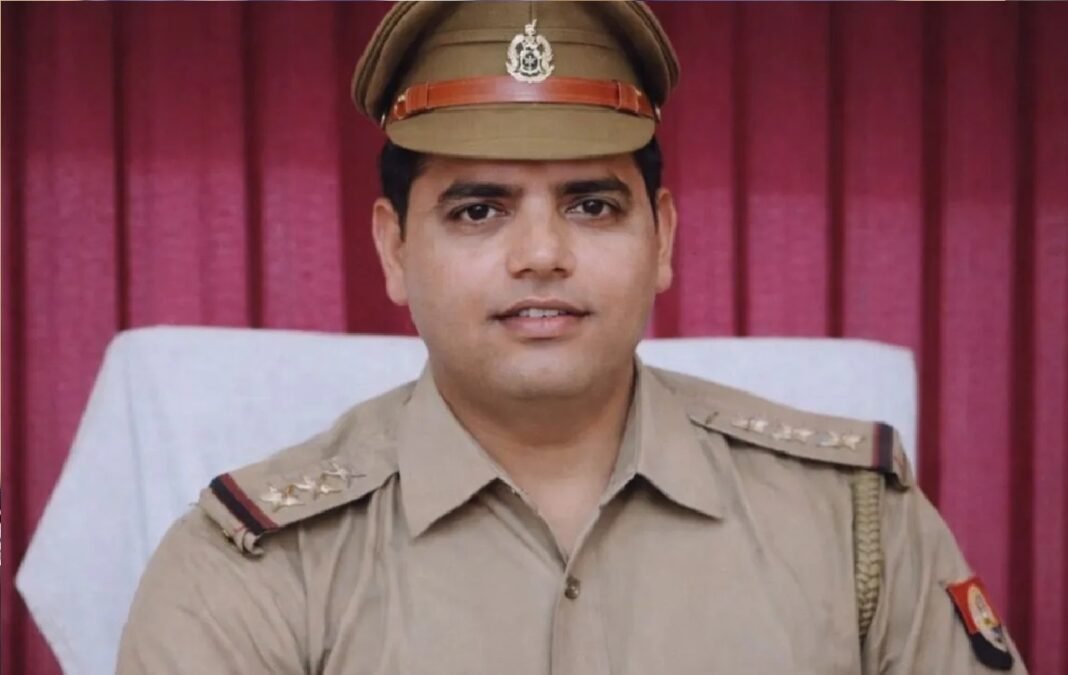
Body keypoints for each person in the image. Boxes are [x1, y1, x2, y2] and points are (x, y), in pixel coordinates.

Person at [117, 2, 1026, 673]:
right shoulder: (254, 566)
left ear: (662, 239)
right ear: (394, 250)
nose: (543, 254)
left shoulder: (852, 522)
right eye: (479, 210)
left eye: (592, 205)